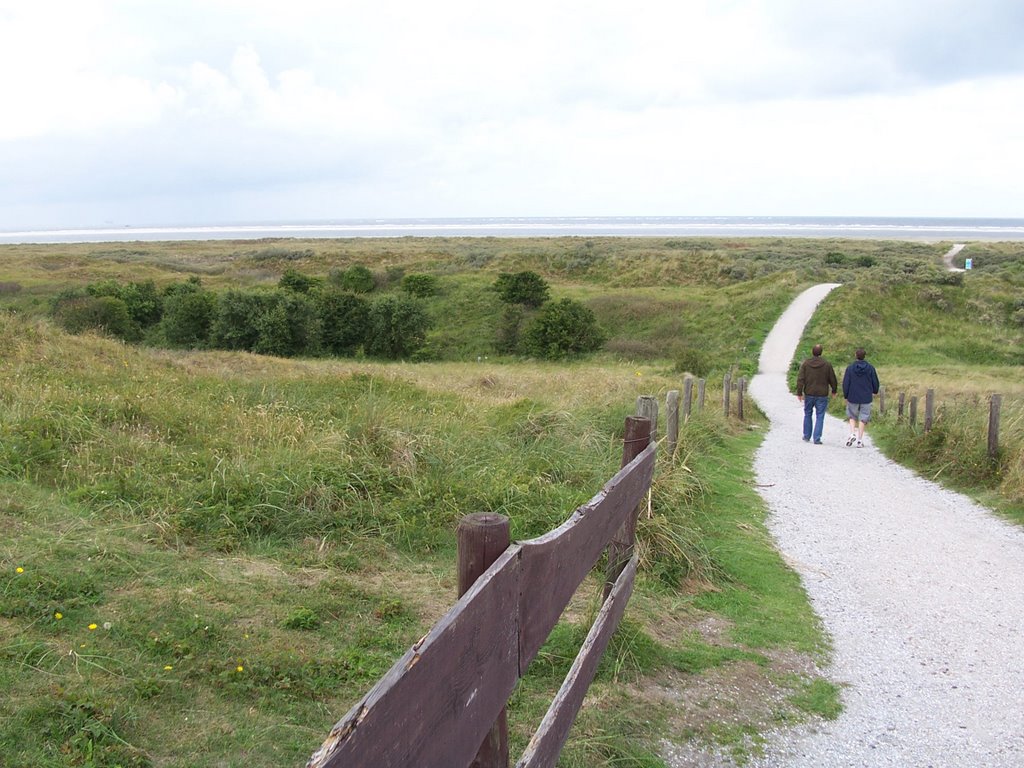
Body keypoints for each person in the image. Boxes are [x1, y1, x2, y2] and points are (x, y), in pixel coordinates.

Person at [796, 343, 838, 444]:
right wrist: (834, 390)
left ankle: (806, 436)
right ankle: (817, 438)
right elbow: (832, 379)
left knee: (808, 414)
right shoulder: (827, 364)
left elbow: (800, 379)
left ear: (812, 352)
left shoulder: (806, 364)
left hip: (809, 393)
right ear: (821, 352)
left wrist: (799, 392)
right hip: (822, 394)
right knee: (820, 416)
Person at [842, 348, 880, 448]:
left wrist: (846, 395)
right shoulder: (870, 368)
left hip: (853, 395)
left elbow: (846, 382)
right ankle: (859, 440)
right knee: (863, 417)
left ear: (856, 355)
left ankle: (852, 434)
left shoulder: (850, 368)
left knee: (852, 416)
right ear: (864, 356)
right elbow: (875, 381)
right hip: (866, 396)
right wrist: (875, 391)